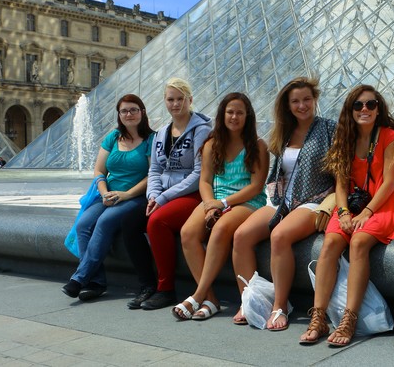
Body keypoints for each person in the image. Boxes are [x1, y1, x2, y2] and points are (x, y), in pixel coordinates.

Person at [300, 84, 394, 346]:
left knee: (358, 242)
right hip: (353, 206)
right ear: (350, 110)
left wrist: (366, 213)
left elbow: (389, 183)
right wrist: (344, 211)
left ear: (378, 108)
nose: (365, 109)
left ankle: (349, 318)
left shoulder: (390, 136)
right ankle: (319, 317)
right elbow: (341, 183)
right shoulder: (344, 139)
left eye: (371, 104)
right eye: (358, 105)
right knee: (330, 244)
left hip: (384, 205)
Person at [232, 77, 336, 330]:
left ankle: (280, 305)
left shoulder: (330, 129)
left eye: (307, 100)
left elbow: (341, 173)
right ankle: (249, 299)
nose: (302, 105)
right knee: (241, 235)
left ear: (315, 100)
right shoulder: (283, 132)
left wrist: (333, 203)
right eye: (296, 101)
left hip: (314, 200)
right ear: (287, 105)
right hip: (282, 201)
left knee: (279, 236)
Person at [173, 93, 269, 320]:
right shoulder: (212, 144)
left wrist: (223, 203)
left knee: (220, 230)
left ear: (248, 116)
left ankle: (197, 295)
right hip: (215, 200)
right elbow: (205, 181)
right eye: (230, 112)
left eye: (239, 112)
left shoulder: (257, 146)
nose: (234, 117)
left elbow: (256, 187)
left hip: (246, 202)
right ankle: (211, 299)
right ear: (222, 115)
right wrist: (209, 206)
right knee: (187, 233)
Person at [62, 94, 156, 302]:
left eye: (133, 109)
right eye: (124, 111)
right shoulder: (113, 137)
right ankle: (97, 282)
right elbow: (98, 170)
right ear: (119, 115)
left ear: (142, 112)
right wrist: (104, 192)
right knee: (83, 225)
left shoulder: (151, 139)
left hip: (135, 196)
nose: (129, 114)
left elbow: (153, 174)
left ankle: (80, 278)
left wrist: (127, 194)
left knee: (104, 222)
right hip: (108, 194)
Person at [139, 77, 212, 310]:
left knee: (156, 222)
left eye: (180, 99)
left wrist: (162, 199)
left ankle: (166, 288)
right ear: (165, 101)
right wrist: (153, 195)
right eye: (171, 99)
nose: (175, 104)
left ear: (190, 100)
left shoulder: (201, 130)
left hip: (191, 194)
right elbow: (155, 169)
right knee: (131, 220)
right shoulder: (161, 132)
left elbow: (199, 174)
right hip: (164, 194)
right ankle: (145, 285)